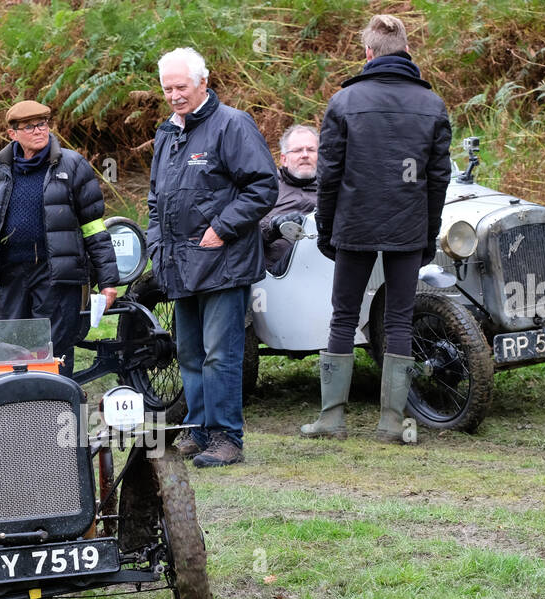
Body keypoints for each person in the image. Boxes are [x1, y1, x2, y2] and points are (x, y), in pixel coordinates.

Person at [305, 14, 451, 443]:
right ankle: (390, 422)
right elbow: (437, 180)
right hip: (408, 224)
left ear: (367, 53)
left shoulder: (344, 101)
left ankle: (332, 418)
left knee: (343, 317)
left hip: (354, 222)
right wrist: (428, 232)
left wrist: (327, 227)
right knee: (400, 319)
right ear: (407, 51)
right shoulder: (432, 105)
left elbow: (327, 176)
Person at [147, 47, 278, 467]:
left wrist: (222, 228)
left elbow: (263, 187)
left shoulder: (233, 125)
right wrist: (155, 245)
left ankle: (226, 438)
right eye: (167, 88)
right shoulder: (167, 134)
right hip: (178, 264)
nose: (174, 95)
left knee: (221, 353)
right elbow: (155, 200)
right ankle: (198, 429)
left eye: (181, 87)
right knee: (188, 353)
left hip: (224, 262)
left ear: (203, 82)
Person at [0, 99, 119, 377]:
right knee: (9, 349)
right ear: (12, 134)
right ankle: (16, 414)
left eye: (43, 124)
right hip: (11, 276)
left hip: (56, 276)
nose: (39, 131)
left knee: (55, 351)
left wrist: (108, 281)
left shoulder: (72, 165)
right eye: (29, 127)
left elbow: (94, 226)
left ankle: (60, 411)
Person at [259, 124, 318, 274]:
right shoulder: (265, 187)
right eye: (298, 150)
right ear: (284, 159)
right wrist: (274, 226)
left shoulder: (335, 189)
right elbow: (245, 232)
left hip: (324, 271)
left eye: (311, 150)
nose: (305, 155)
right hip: (275, 275)